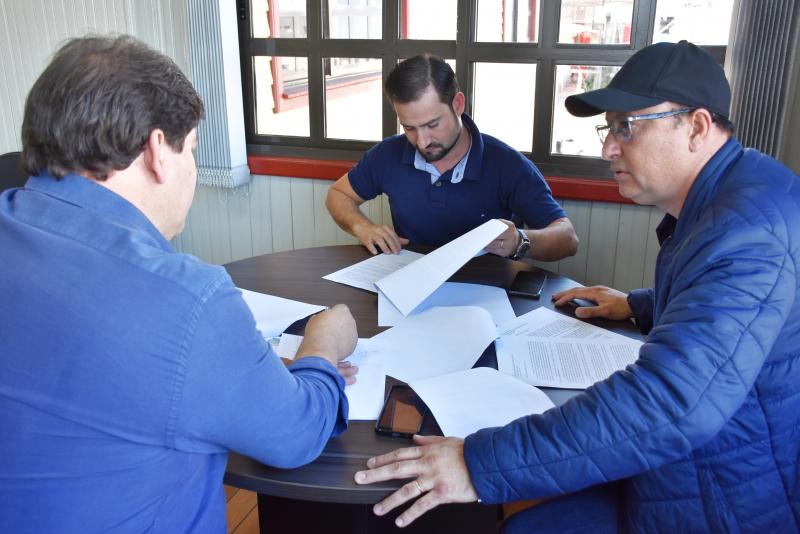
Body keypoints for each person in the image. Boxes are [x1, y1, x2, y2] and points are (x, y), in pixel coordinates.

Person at [352, 40, 800, 532]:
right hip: (692, 468)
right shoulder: (736, 199)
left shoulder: (748, 231)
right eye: (609, 129)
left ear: (695, 127)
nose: (608, 149)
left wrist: (477, 463)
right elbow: (733, 314)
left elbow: (672, 401)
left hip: (724, 497)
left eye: (626, 128)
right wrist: (639, 304)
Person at [0, 35, 359, 532]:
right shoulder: (187, 300)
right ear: (157, 151)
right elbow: (295, 434)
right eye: (191, 148)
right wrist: (323, 344)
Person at [326, 53, 578, 261]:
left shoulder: (506, 163)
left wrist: (520, 240)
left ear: (457, 104)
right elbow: (338, 195)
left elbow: (567, 238)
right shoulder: (388, 154)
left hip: (486, 290)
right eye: (409, 128)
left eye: (432, 124)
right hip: (409, 284)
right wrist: (362, 227)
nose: (422, 141)